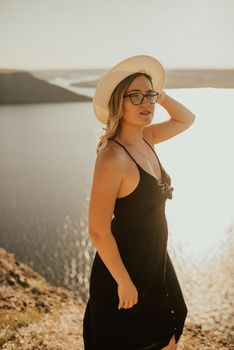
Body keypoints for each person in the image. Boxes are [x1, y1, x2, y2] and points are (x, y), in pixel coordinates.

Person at [83, 55, 196, 350]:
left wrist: (160, 92)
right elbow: (97, 230)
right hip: (126, 269)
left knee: (167, 333)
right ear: (118, 102)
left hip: (155, 259)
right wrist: (123, 281)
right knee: (138, 340)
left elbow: (187, 118)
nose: (145, 102)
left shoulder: (147, 138)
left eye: (149, 95)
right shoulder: (112, 156)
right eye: (135, 96)